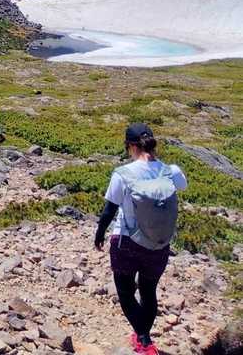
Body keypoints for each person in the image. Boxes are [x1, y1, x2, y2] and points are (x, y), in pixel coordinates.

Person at [95, 123, 187, 355]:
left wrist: (99, 233)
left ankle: (144, 339)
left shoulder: (123, 173)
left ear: (130, 146)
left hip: (127, 242)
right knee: (148, 291)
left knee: (126, 293)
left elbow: (109, 210)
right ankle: (143, 337)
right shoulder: (172, 171)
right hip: (159, 243)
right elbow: (182, 186)